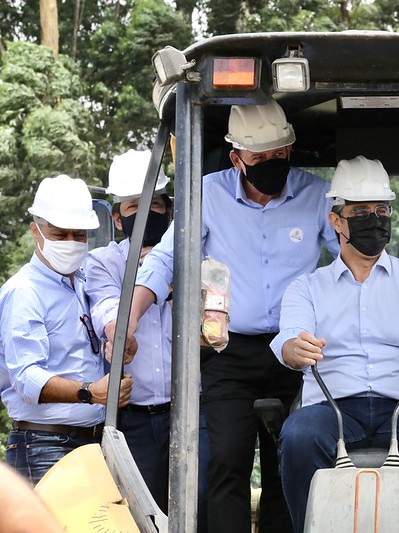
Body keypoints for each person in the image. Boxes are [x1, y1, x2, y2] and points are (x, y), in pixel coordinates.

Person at [112, 99, 340, 532]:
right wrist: (131, 319)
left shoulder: (315, 195)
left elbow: (349, 258)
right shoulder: (207, 194)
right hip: (228, 351)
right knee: (226, 461)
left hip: (296, 351)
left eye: (280, 155)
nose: (272, 164)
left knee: (287, 464)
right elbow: (165, 260)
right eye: (260, 158)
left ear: (290, 151)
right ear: (237, 158)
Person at [271, 156, 399, 532]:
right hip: (334, 411)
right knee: (298, 436)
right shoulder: (307, 287)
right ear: (337, 220)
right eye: (361, 210)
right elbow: (289, 339)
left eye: (381, 210)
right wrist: (295, 349)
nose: (374, 218)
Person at [0, 175, 133, 485]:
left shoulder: (84, 281)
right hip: (44, 445)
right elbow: (27, 379)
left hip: (93, 444)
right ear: (36, 231)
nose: (71, 243)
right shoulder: (25, 292)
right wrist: (90, 392)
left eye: (79, 235)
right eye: (60, 234)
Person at [84, 150, 178, 513]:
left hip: (190, 412)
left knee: (201, 504)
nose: (146, 214)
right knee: (142, 513)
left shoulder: (194, 258)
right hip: (134, 419)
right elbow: (108, 309)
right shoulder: (103, 262)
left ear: (170, 210)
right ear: (118, 219)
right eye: (133, 207)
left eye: (154, 204)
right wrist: (119, 333)